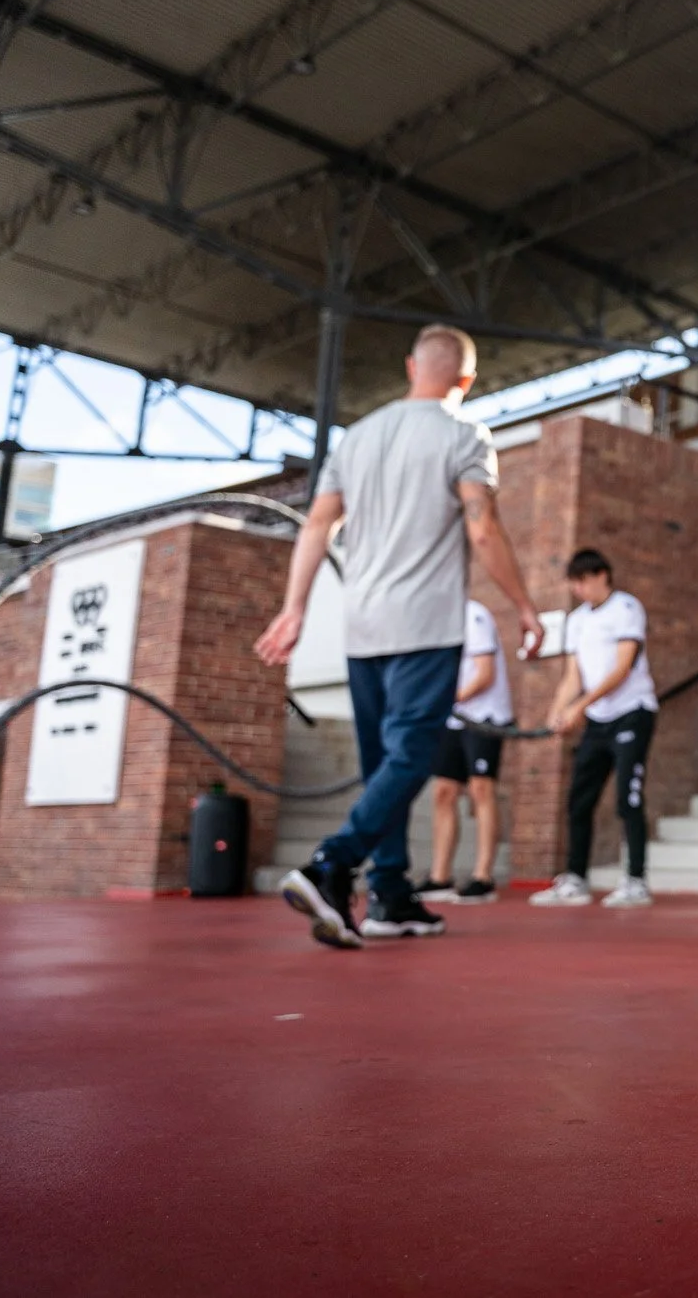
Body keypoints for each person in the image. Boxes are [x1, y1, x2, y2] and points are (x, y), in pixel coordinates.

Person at [256, 325, 541, 947]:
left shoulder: (355, 438)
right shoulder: (464, 433)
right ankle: (332, 866)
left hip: (362, 628)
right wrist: (524, 605)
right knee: (411, 758)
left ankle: (390, 895)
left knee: (382, 766)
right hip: (425, 625)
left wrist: (295, 607)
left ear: (411, 365)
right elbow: (483, 529)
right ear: (465, 381)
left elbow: (317, 526)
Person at [529, 548, 659, 909]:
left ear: (603, 575)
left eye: (584, 580)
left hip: (632, 713)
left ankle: (635, 880)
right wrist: (559, 710)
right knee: (578, 799)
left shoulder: (626, 609)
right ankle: (575, 878)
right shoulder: (577, 620)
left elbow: (621, 668)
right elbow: (574, 675)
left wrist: (579, 707)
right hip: (598, 721)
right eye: (574, 583)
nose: (580, 589)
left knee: (627, 799)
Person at [416, 598, 513, 905]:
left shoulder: (473, 615)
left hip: (484, 716)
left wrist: (450, 698)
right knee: (443, 791)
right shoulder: (430, 619)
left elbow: (485, 674)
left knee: (481, 789)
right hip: (451, 718)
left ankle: (483, 877)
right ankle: (439, 877)